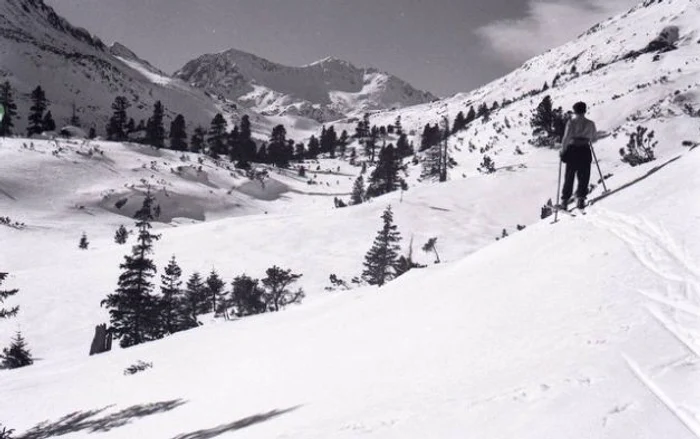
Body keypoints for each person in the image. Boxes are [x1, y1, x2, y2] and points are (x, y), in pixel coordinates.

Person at [559, 101, 597, 210]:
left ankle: (565, 201)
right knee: (584, 175)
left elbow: (566, 138)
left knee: (569, 176)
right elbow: (594, 138)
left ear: (575, 111)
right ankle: (580, 199)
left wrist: (563, 150)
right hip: (584, 149)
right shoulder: (590, 123)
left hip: (573, 150)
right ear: (584, 111)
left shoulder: (571, 122)